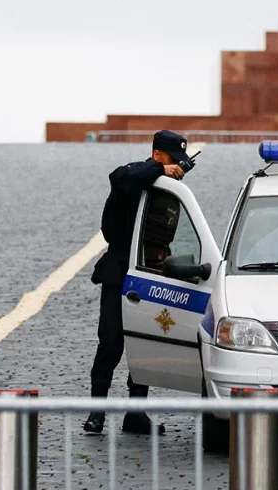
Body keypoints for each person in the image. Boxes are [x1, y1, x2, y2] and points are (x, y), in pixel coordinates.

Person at [83, 130, 192, 435]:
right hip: (120, 274)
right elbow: (119, 176)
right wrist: (160, 170)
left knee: (144, 346)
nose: (177, 167)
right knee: (111, 343)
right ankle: (97, 413)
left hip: (152, 273)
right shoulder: (135, 178)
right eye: (172, 160)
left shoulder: (169, 187)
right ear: (158, 154)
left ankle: (136, 412)